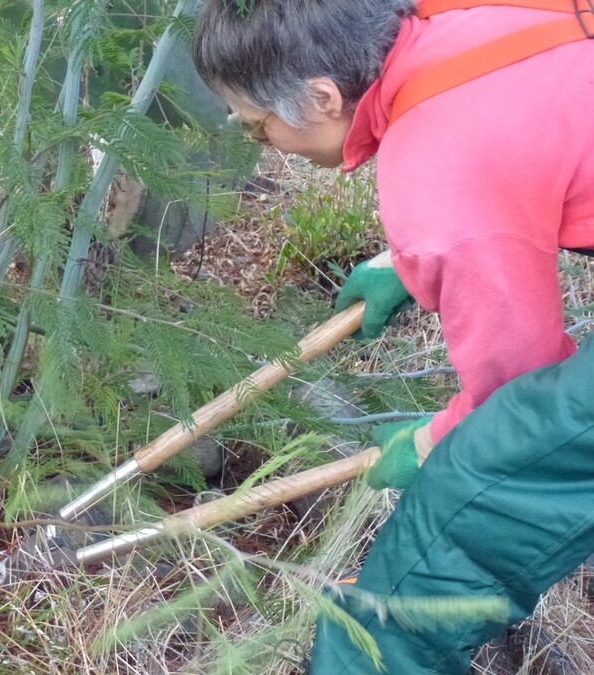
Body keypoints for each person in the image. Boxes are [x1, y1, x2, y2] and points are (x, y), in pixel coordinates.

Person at [193, 0, 594, 672]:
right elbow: (524, 137)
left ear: (321, 97)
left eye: (259, 130)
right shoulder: (457, 20)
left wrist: (435, 442)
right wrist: (412, 259)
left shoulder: (438, 168)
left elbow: (518, 393)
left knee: (450, 518)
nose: (264, 143)